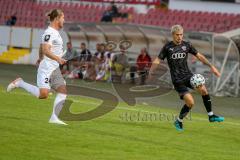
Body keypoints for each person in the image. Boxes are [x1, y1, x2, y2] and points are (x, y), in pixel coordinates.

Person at [149, 24, 224, 131]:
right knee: (190, 102)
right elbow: (157, 60)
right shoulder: (167, 47)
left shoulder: (187, 45)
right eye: (177, 35)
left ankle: (211, 116)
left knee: (203, 89)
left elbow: (199, 55)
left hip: (188, 76)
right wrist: (151, 71)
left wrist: (211, 66)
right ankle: (179, 121)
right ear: (173, 35)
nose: (179, 37)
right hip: (177, 80)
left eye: (181, 34)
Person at [7, 9, 68, 125]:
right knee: (43, 95)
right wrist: (58, 58)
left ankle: (54, 118)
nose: (64, 20)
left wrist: (40, 58)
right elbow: (46, 49)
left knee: (63, 91)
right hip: (46, 68)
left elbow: (42, 47)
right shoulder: (50, 32)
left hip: (54, 68)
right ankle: (20, 83)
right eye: (63, 18)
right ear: (57, 19)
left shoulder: (55, 32)